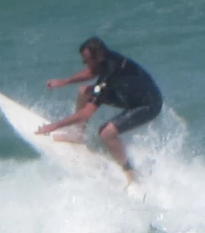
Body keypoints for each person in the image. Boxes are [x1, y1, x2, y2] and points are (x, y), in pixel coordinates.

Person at [35, 37, 163, 184]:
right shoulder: (107, 59)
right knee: (84, 91)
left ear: (99, 55)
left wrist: (54, 126)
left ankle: (129, 171)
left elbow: (86, 113)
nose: (84, 63)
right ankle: (77, 134)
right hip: (127, 94)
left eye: (87, 59)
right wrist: (64, 82)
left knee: (106, 133)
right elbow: (91, 72)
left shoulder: (110, 75)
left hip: (148, 105)